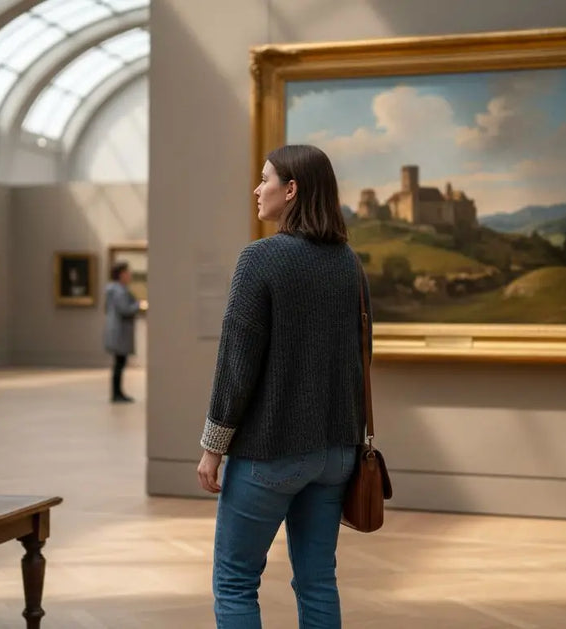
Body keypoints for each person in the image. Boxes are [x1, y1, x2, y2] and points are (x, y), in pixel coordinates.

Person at [196, 144, 370, 628]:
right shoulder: (348, 263)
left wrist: (212, 447)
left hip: (271, 451)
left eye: (265, 179)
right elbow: (362, 358)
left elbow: (236, 363)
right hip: (336, 453)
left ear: (290, 190)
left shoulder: (260, 258)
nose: (257, 189)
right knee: (318, 581)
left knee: (235, 581)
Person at [103, 261, 141, 402]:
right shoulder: (119, 291)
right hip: (119, 331)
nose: (129, 275)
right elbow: (125, 309)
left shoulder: (115, 290)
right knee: (119, 364)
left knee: (119, 363)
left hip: (117, 330)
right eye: (127, 272)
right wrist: (138, 305)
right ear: (121, 274)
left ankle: (118, 392)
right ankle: (116, 394)